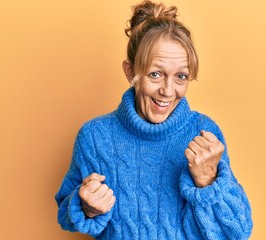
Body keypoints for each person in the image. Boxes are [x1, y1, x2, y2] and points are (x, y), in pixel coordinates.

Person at [55, 1, 253, 239]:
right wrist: (86, 206)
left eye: (181, 76)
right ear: (131, 72)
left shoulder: (203, 133)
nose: (168, 91)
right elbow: (65, 212)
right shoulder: (95, 136)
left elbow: (237, 232)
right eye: (155, 74)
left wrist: (208, 181)